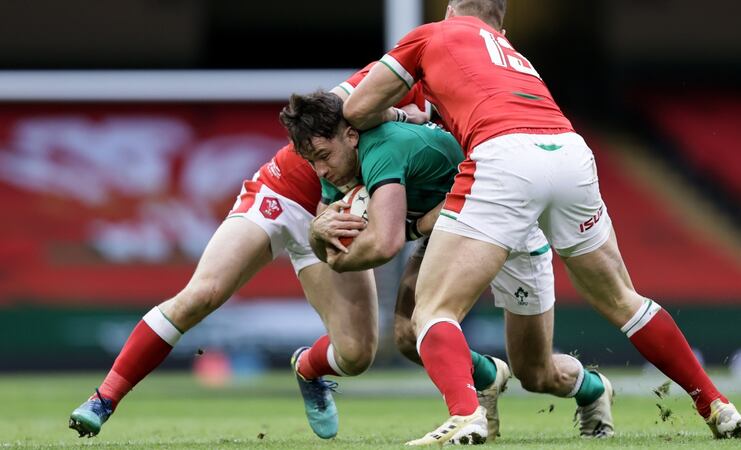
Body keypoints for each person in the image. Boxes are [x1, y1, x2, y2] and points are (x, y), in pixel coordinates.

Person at [342, 0, 741, 445]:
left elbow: (357, 108)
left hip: (502, 160)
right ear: (501, 20)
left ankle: (466, 415)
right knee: (620, 300)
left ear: (451, 8)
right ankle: (715, 402)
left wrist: (405, 115)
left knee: (434, 310)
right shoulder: (513, 55)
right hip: (569, 153)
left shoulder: (433, 36)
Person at [64, 63, 495, 441]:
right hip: (280, 194)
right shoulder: (393, 75)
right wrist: (404, 113)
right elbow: (342, 106)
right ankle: (104, 398)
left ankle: (308, 368)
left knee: (356, 354)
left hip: (339, 213)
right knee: (204, 293)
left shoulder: (445, 102)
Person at [282, 90, 615, 443]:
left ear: (350, 136)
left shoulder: (383, 148)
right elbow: (329, 232)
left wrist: (342, 253)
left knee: (536, 373)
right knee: (411, 334)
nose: (320, 169)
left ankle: (592, 389)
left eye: (322, 156)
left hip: (508, 225)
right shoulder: (334, 165)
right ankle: (478, 391)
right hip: (451, 229)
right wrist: (317, 232)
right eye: (311, 161)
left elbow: (385, 243)